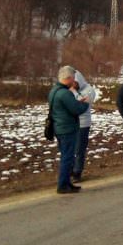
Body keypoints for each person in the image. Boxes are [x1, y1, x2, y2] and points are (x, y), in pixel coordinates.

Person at [49, 65, 90, 194]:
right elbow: (77, 109)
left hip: (59, 127)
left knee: (67, 156)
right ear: (68, 78)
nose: (74, 81)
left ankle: (67, 183)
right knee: (67, 157)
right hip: (67, 129)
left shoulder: (54, 91)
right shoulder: (65, 93)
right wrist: (84, 103)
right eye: (73, 79)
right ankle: (62, 185)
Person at [71, 70, 98, 183]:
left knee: (79, 149)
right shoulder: (71, 89)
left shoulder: (89, 90)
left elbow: (82, 104)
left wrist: (73, 92)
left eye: (74, 83)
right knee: (71, 149)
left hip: (83, 123)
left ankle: (77, 172)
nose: (72, 85)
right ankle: (70, 170)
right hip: (71, 123)